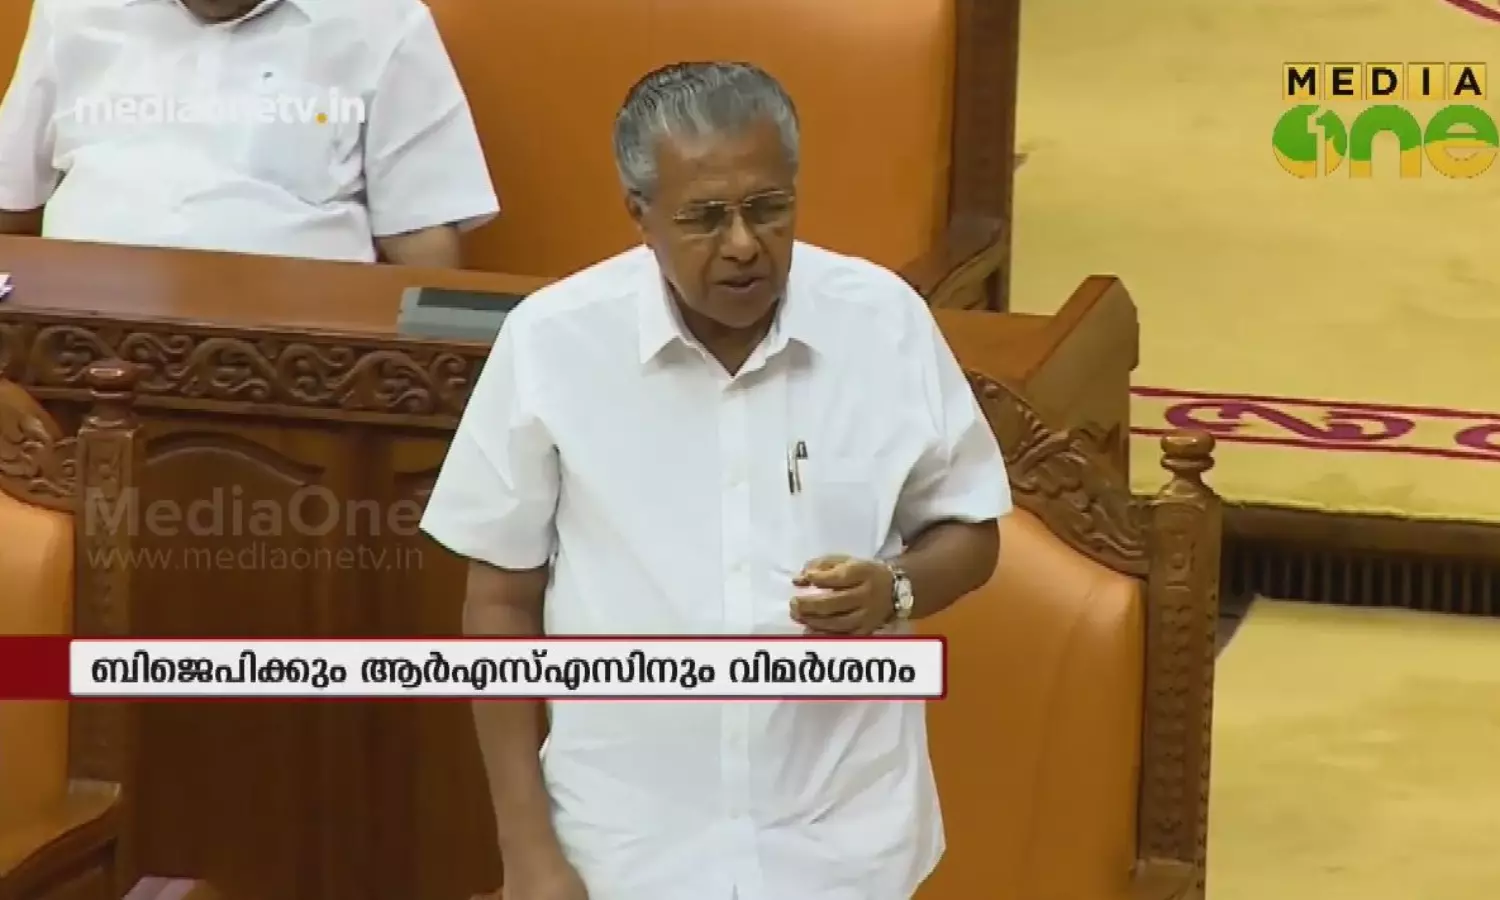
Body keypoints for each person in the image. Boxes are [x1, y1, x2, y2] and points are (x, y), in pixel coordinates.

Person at [420, 62, 1011, 900]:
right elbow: (499, 605)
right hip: (623, 848)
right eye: (703, 217)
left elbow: (972, 530)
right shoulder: (552, 343)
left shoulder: (883, 323)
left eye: (768, 209)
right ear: (639, 213)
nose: (742, 244)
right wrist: (527, 853)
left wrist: (896, 591)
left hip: (843, 845)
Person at [0, 0, 497, 267]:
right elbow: (10, 198)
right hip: (80, 340)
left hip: (299, 359)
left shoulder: (384, 22)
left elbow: (421, 235)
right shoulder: (73, 11)